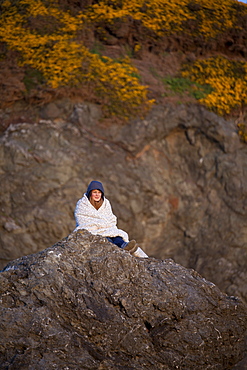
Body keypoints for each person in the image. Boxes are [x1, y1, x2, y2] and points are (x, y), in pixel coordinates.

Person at [74, 180, 148, 257]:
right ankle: (124, 249)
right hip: (91, 229)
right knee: (106, 239)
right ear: (90, 193)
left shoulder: (106, 203)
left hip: (107, 228)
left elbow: (111, 218)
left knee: (116, 236)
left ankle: (125, 246)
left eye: (99, 192)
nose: (97, 195)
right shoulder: (82, 204)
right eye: (95, 192)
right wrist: (99, 225)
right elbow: (81, 219)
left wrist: (105, 225)